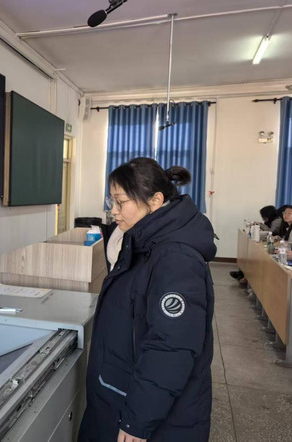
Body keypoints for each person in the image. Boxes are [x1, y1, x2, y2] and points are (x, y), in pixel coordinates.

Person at [79, 158, 216, 442]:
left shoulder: (175, 259)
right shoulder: (141, 242)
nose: (113, 211)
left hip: (151, 416)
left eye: (120, 202)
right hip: (122, 390)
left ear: (155, 200)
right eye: (111, 201)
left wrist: (137, 421)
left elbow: (171, 347)